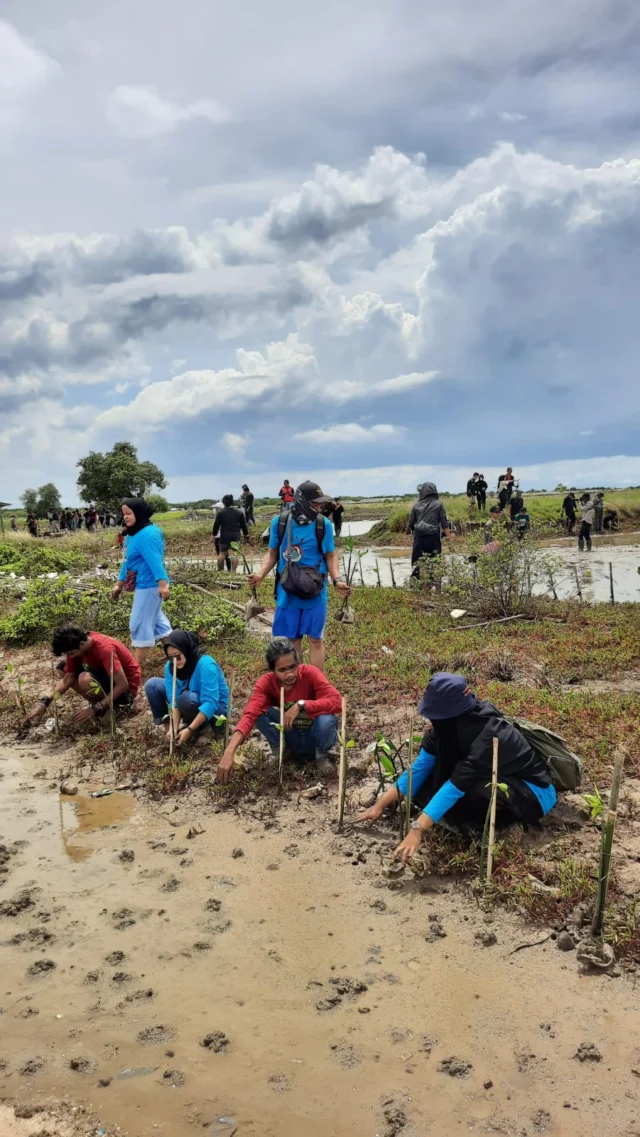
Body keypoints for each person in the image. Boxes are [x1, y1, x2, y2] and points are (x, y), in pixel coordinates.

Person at [357, 672, 556, 862]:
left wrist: (417, 829)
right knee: (428, 785)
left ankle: (507, 828)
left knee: (477, 793)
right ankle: (463, 819)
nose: (430, 720)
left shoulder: (490, 735)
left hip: (532, 793)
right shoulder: (445, 729)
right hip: (484, 779)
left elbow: (457, 785)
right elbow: (419, 769)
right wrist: (380, 805)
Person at [248, 481, 350, 671]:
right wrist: (260, 574)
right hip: (288, 590)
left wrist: (337, 580)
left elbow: (330, 555)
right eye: (315, 503)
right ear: (302, 501)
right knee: (293, 640)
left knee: (315, 640)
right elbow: (272, 554)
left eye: (320, 503)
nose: (320, 507)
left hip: (315, 591)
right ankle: (297, 682)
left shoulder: (323, 525)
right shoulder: (280, 522)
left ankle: (316, 683)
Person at [217, 636, 341, 782]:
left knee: (326, 720)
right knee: (260, 713)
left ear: (298, 663)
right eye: (282, 670)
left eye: (292, 667)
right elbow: (250, 715)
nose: (289, 674)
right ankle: (283, 751)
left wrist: (302, 705)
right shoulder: (267, 683)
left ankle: (321, 755)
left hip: (314, 734)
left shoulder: (310, 673)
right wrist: (229, 751)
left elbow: (337, 702)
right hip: (291, 733)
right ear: (273, 671)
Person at [22, 625, 141, 728]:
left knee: (85, 679)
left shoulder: (105, 648)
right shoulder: (79, 647)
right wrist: (44, 703)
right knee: (62, 668)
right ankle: (99, 705)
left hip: (126, 691)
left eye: (71, 653)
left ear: (82, 644)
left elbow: (123, 684)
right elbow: (68, 678)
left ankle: (110, 706)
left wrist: (95, 709)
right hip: (104, 676)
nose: (71, 657)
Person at [111, 497, 172, 663]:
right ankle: (179, 657)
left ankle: (135, 670)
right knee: (159, 625)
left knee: (139, 623)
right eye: (124, 514)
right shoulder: (133, 534)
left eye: (129, 513)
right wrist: (119, 585)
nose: (125, 517)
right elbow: (127, 562)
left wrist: (163, 585)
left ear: (138, 513)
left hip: (150, 586)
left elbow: (155, 561)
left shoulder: (148, 535)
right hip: (142, 585)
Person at [145, 630, 229, 746]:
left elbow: (211, 702)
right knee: (152, 685)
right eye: (170, 657)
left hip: (216, 708)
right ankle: (172, 730)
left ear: (186, 650)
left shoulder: (206, 664)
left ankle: (206, 727)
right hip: (190, 701)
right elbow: (174, 701)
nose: (175, 661)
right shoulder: (170, 668)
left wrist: (189, 730)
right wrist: (173, 728)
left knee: (185, 699)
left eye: (178, 656)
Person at [408, 482, 451, 591]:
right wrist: (450, 538)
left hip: (419, 538)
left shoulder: (416, 505)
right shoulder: (439, 504)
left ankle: (426, 593)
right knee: (436, 563)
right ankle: (438, 592)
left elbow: (411, 523)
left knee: (423, 564)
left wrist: (416, 532)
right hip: (433, 537)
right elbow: (444, 523)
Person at [213, 494, 249, 572]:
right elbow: (244, 525)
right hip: (235, 536)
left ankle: (220, 571)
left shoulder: (220, 512)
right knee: (234, 554)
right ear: (232, 502)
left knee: (222, 554)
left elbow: (216, 525)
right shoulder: (239, 512)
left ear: (224, 502)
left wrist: (214, 534)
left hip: (224, 537)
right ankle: (233, 572)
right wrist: (246, 535)